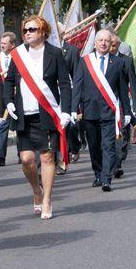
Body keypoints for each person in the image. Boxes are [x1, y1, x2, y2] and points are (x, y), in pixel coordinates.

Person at [3, 15, 72, 220]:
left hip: (47, 113)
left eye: (31, 30)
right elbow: (9, 81)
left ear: (43, 32)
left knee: (47, 157)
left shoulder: (55, 53)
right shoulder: (18, 55)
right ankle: (36, 190)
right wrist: (8, 101)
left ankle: (48, 199)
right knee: (26, 159)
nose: (27, 33)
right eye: (25, 30)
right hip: (25, 114)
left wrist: (66, 111)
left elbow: (65, 84)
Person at [72, 30, 130, 191]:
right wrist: (72, 109)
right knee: (94, 146)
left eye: (106, 40)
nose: (103, 43)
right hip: (89, 111)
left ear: (111, 43)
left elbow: (123, 90)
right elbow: (77, 86)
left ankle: (106, 178)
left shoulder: (118, 63)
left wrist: (128, 112)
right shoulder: (85, 61)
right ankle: (97, 173)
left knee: (108, 145)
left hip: (110, 112)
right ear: (95, 43)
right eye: (100, 40)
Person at [109, 33, 136, 178]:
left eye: (114, 45)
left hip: (121, 103)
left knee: (121, 131)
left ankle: (117, 162)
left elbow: (134, 85)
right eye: (109, 44)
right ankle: (111, 163)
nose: (110, 47)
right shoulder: (98, 58)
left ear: (119, 45)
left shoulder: (126, 61)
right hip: (103, 103)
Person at [59, 26, 81, 172]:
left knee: (71, 126)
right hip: (52, 96)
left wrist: (77, 98)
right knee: (59, 128)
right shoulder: (44, 51)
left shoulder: (72, 51)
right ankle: (62, 159)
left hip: (69, 93)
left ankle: (75, 146)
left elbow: (77, 76)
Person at [0, 32, 16, 166]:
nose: (2, 45)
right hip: (2, 97)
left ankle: (21, 154)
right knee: (3, 125)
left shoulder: (18, 58)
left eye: (5, 43)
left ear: (12, 45)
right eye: (1, 43)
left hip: (17, 96)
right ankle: (0, 156)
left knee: (19, 126)